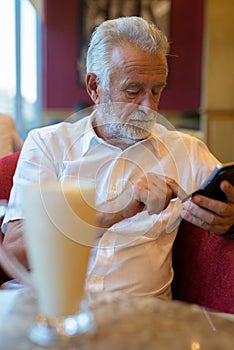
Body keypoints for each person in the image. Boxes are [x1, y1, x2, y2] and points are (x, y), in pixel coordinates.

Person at [2, 17, 234, 299]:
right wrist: (110, 213)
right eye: (133, 91)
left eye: (157, 90)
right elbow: (13, 254)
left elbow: (227, 201)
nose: (149, 106)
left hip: (138, 327)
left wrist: (230, 221)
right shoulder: (47, 145)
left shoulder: (187, 152)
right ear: (95, 88)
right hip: (43, 314)